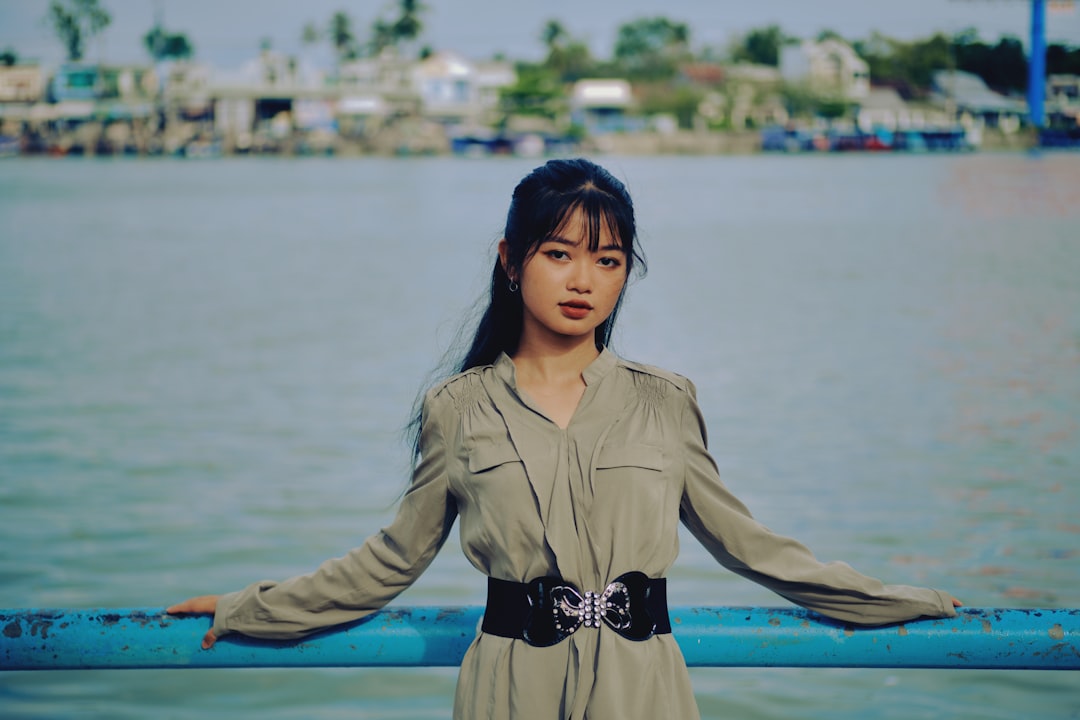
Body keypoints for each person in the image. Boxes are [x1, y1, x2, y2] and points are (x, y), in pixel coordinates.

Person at [169, 158, 961, 719]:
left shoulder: (664, 403)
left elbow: (750, 546)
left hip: (643, 689)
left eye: (608, 260)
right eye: (560, 255)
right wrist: (251, 608)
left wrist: (899, 603)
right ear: (513, 262)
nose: (584, 281)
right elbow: (390, 561)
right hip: (509, 689)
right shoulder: (459, 408)